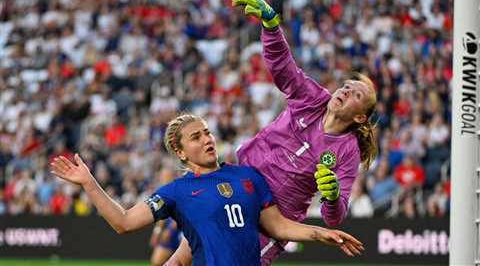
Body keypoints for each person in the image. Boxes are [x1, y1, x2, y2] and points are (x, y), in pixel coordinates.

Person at [168, 0, 378, 265]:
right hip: (236, 190)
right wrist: (271, 27)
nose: (346, 90)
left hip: (272, 220)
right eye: (347, 86)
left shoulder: (346, 150)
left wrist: (333, 196)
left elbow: (333, 216)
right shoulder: (313, 98)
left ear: (360, 117)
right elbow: (283, 67)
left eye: (356, 94)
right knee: (180, 260)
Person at [50, 114, 364, 266]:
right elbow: (124, 222)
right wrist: (90, 183)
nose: (207, 139)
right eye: (196, 137)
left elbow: (278, 226)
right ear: (181, 152)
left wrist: (322, 233)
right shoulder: (177, 191)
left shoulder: (249, 177)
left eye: (207, 132)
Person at [149, 168, 182, 266]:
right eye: (162, 175)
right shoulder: (161, 191)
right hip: (169, 229)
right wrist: (157, 231)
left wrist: (169, 230)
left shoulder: (177, 190)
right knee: (156, 261)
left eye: (165, 175)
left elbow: (181, 213)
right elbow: (161, 215)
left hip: (179, 230)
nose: (162, 178)